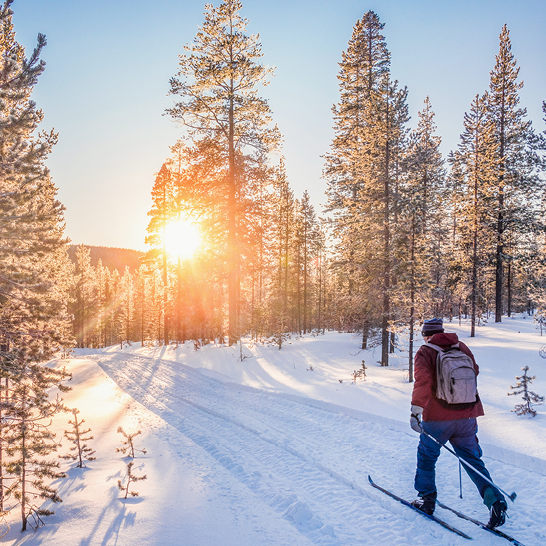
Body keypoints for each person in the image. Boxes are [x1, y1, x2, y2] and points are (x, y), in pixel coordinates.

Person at [410, 318, 507, 528]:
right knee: (472, 460)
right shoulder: (461, 346)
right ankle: (495, 501)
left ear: (426, 334)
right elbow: (475, 371)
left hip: (437, 418)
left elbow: (423, 382)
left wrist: (416, 410)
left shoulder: (425, 351)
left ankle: (426, 500)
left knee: (427, 457)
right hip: (467, 416)